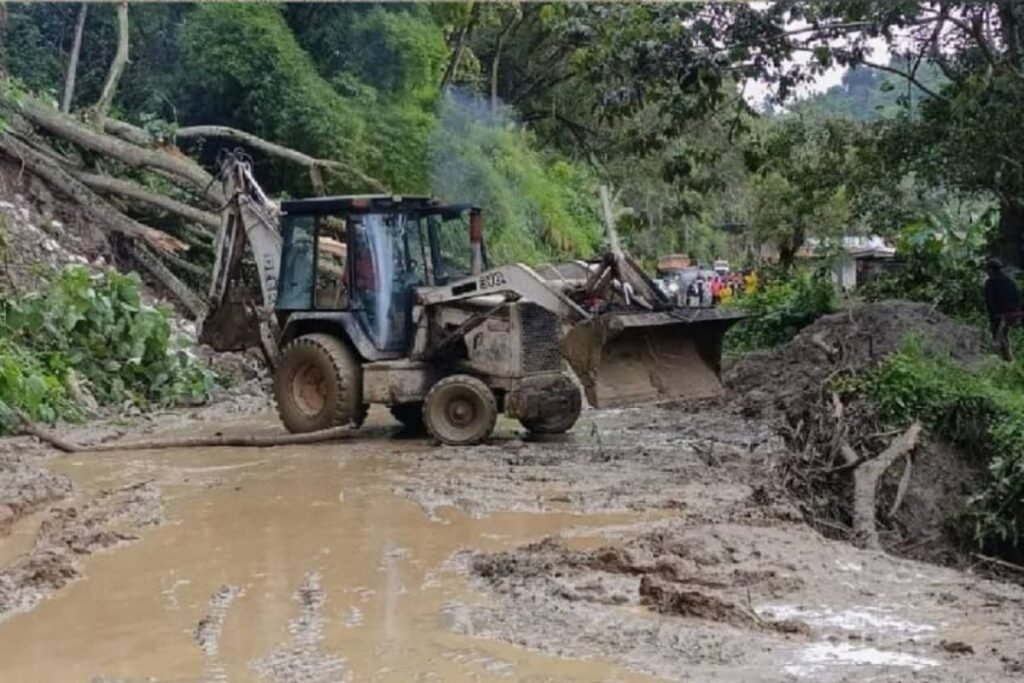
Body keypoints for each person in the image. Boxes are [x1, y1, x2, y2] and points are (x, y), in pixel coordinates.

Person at [984, 258, 1021, 361]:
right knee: (1007, 336)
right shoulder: (1009, 281)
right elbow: (1017, 297)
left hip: (1000, 315)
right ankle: (1009, 358)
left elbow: (990, 302)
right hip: (1015, 313)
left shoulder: (990, 283)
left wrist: (993, 317)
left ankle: (1004, 360)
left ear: (991, 270)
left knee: (998, 338)